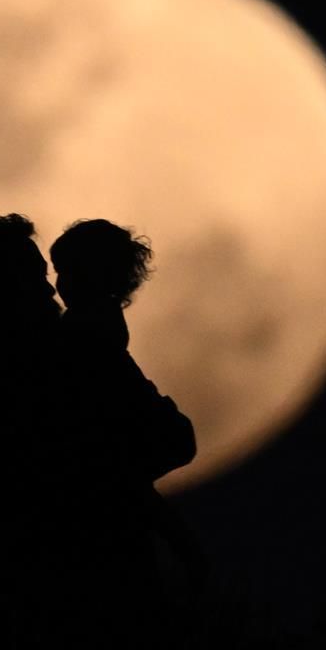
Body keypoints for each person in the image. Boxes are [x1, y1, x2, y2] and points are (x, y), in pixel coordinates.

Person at [0, 214, 193, 612]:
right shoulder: (67, 363)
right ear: (0, 290)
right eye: (35, 278)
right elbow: (168, 441)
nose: (51, 289)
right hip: (84, 595)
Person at [48, 219, 205, 600]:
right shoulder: (89, 346)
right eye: (60, 272)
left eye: (72, 271)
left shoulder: (89, 344)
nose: (60, 284)